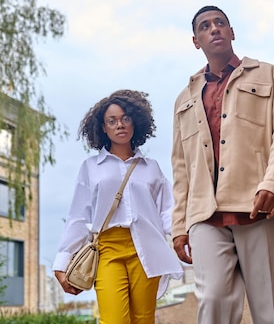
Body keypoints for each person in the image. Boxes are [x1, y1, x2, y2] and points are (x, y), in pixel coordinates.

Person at [171, 5, 274, 324]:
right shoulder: (184, 99)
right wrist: (178, 226)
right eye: (205, 26)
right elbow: (180, 168)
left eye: (220, 23)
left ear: (231, 33)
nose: (214, 28)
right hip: (204, 215)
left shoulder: (268, 75)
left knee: (271, 311)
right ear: (196, 40)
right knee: (212, 303)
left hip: (259, 207)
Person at [53, 89, 183, 324]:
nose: (120, 125)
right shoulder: (91, 167)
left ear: (135, 122)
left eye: (125, 118)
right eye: (111, 121)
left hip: (146, 249)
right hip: (107, 250)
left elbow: (168, 211)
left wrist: (183, 237)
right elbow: (79, 217)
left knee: (143, 319)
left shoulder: (151, 167)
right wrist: (61, 262)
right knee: (114, 320)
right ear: (103, 128)